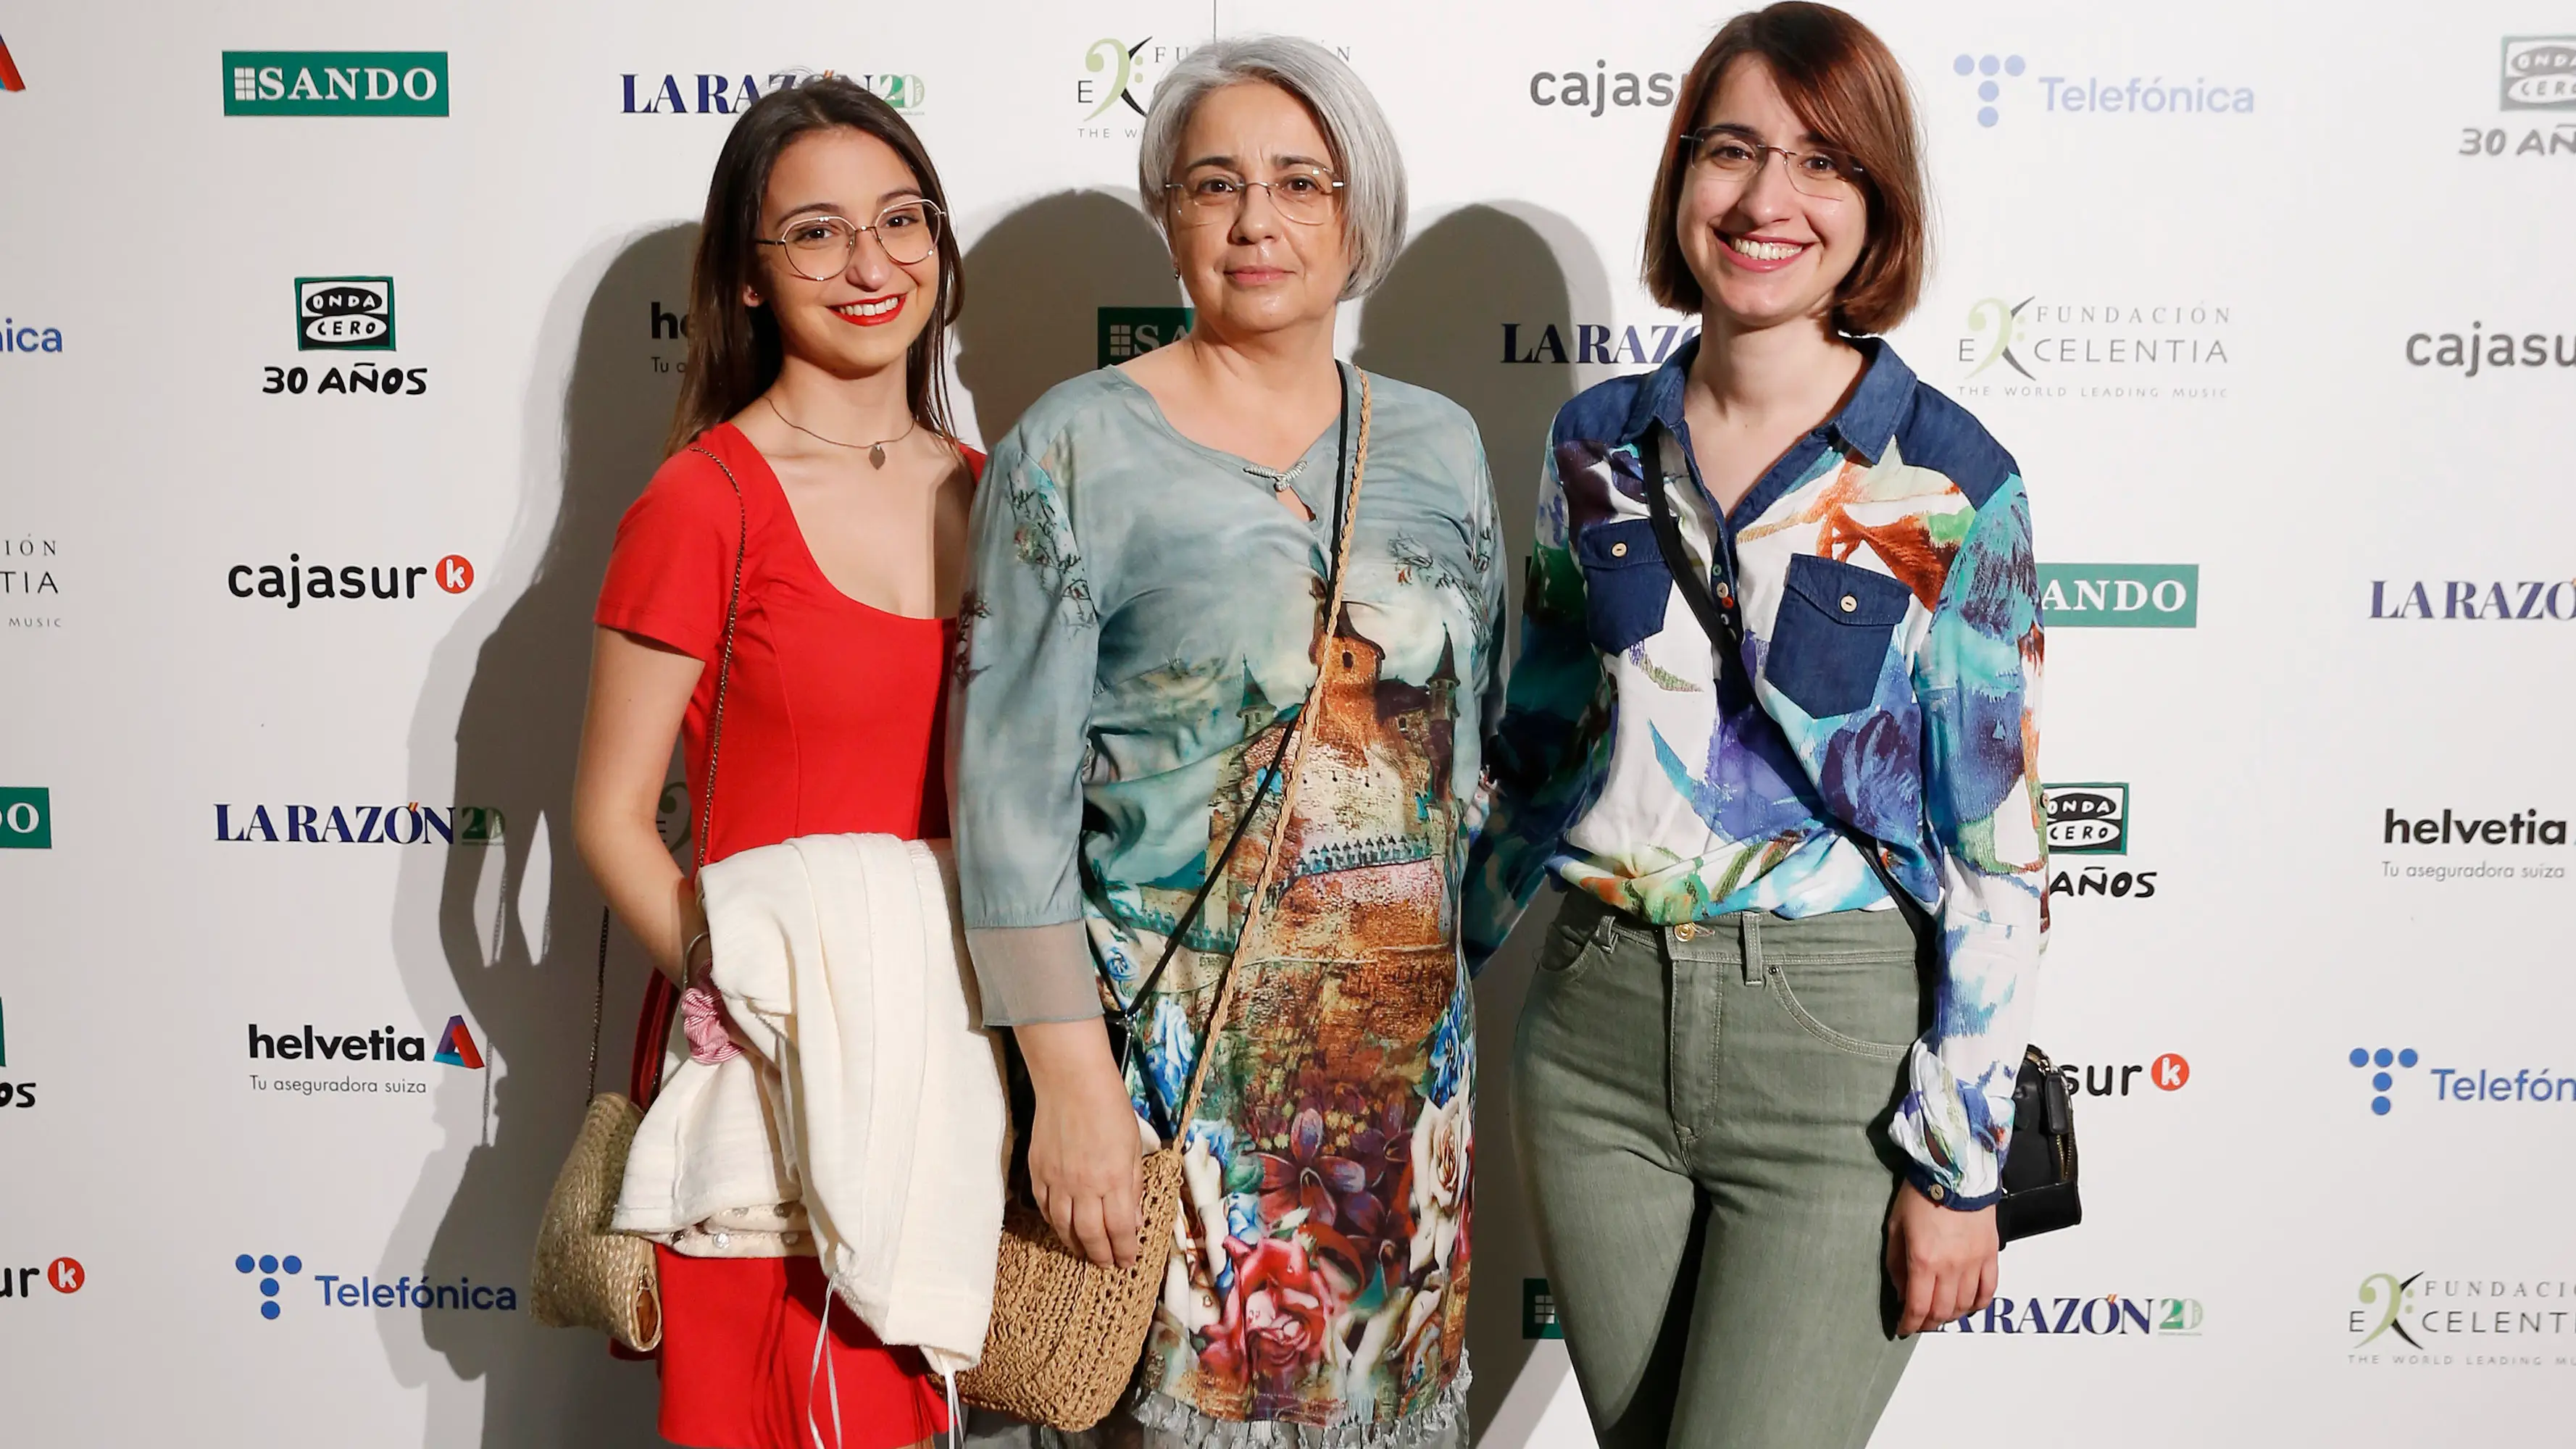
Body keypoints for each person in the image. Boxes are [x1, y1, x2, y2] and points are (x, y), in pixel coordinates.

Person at [1464, 5, 2046, 1446]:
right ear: (1680, 179)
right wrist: (1421, 989)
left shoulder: (1950, 479)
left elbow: (1997, 852)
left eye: (1819, 164)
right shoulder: (1594, 441)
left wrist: (1959, 1163)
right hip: (1591, 1028)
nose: (1766, 200)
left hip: (1833, 1043)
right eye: (1730, 152)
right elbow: (1534, 746)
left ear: (1874, 207)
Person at [949, 36, 1504, 1446]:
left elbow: (1474, 751)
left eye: (1298, 183)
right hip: (1173, 1089)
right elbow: (1009, 796)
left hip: (1401, 1094)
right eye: (1215, 184)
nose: (1257, 221)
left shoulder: (1438, 442)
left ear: (1356, 213)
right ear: (1169, 216)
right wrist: (1068, 1086)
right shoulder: (1071, 447)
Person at [570, 77, 978, 1449]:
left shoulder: (1002, 487)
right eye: (815, 234)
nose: (870, 265)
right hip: (763, 1068)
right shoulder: (704, 500)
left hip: (953, 1064)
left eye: (900, 220)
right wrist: (733, 995)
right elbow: (613, 816)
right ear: (746, 278)